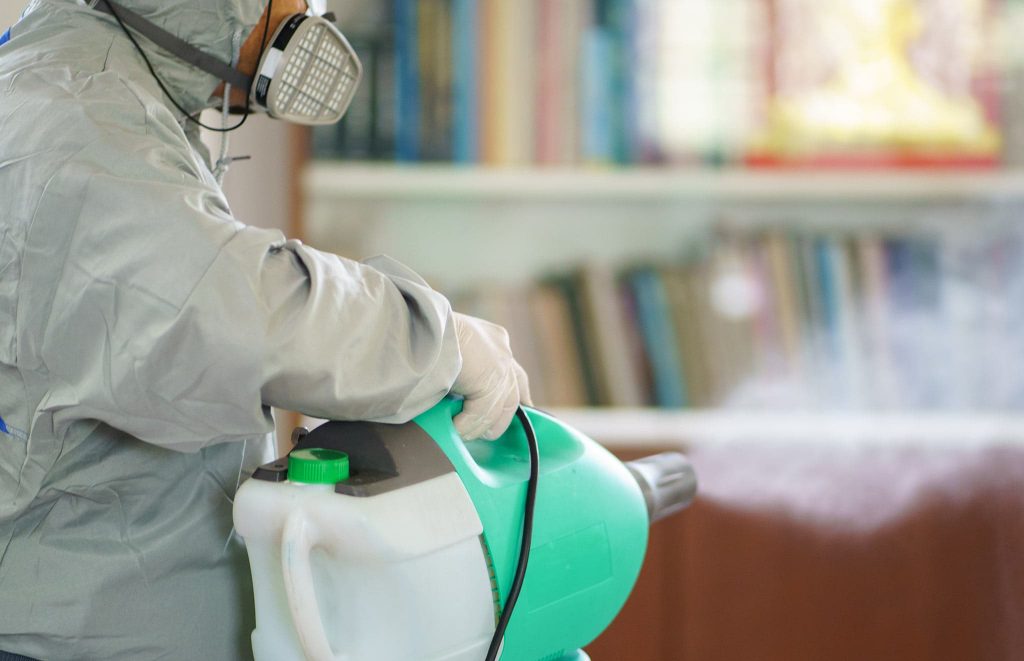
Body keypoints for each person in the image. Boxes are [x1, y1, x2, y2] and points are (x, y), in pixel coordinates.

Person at [0, 0, 529, 659]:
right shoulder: (82, 122)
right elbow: (236, 314)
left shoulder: (68, 82)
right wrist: (439, 342)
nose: (313, 11)